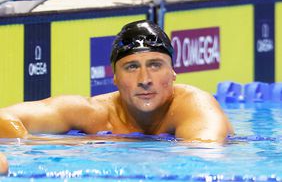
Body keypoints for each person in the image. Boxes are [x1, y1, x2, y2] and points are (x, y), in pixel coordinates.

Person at [0, 20, 233, 142]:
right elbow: (3, 117)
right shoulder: (93, 112)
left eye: (155, 65)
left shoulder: (194, 105)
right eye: (132, 67)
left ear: (172, 72)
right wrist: (44, 144)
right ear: (115, 78)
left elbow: (205, 158)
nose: (145, 80)